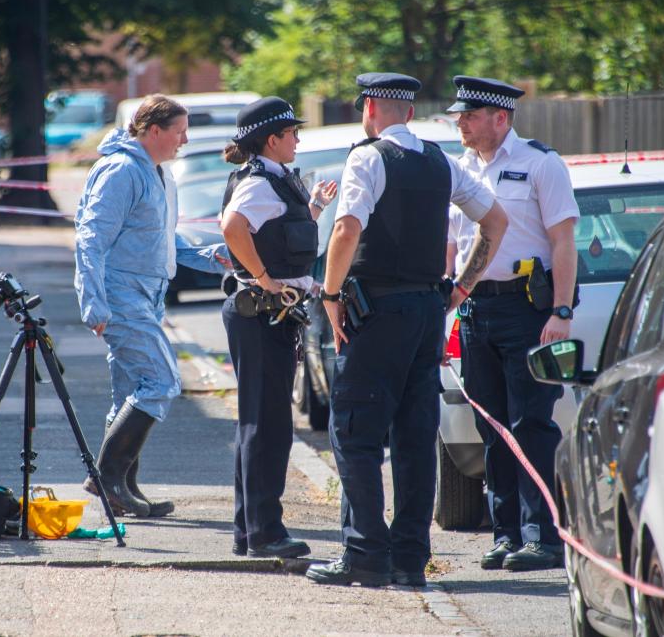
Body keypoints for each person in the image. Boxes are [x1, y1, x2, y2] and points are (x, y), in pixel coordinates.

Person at [305, 73, 507, 587]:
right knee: (416, 437)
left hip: (377, 315)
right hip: (425, 313)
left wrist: (330, 296)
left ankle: (365, 555)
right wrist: (459, 290)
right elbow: (496, 222)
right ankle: (410, 559)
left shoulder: (368, 157)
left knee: (355, 434)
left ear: (369, 108)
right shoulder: (440, 161)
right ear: (410, 113)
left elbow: (347, 228)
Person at [445, 76, 579, 572]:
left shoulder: (540, 164)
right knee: (492, 426)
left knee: (531, 424)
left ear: (501, 118)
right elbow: (453, 247)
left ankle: (542, 536)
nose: (460, 122)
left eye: (470, 115)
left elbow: (562, 242)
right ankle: (504, 534)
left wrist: (560, 312)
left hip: (528, 310)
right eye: (459, 115)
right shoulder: (459, 170)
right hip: (476, 309)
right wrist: (448, 314)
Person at [74, 94, 229, 518]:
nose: (185, 139)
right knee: (161, 382)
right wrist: (93, 302)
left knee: (129, 393)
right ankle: (106, 479)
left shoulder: (160, 174)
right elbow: (90, 239)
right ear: (153, 131)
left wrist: (209, 257)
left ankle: (121, 488)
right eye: (179, 131)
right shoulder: (121, 170)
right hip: (121, 296)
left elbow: (162, 242)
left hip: (147, 295)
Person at [220, 96, 338, 558]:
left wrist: (311, 211)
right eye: (291, 133)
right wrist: (264, 279)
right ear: (272, 140)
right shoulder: (259, 181)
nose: (298, 139)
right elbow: (234, 227)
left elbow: (276, 234)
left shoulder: (278, 180)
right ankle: (264, 532)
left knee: (263, 423)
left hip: (272, 313)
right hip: (260, 309)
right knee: (265, 426)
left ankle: (250, 531)